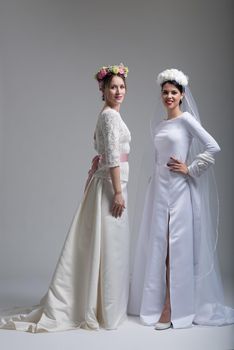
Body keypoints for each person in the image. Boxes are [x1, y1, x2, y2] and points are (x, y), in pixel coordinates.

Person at [0, 63, 131, 332]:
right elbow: (113, 158)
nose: (118, 91)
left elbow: (107, 154)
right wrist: (117, 191)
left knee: (108, 246)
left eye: (121, 87)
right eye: (112, 87)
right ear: (103, 90)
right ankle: (104, 309)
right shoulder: (109, 117)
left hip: (110, 183)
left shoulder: (111, 115)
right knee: (109, 246)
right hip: (110, 186)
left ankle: (104, 305)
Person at [128, 68, 234, 330]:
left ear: (182, 95)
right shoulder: (162, 125)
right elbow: (157, 159)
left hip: (179, 193)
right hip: (159, 193)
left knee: (174, 251)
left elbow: (213, 146)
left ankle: (172, 307)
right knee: (159, 248)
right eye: (165, 92)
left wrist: (191, 168)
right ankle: (156, 303)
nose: (168, 96)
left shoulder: (186, 120)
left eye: (174, 92)